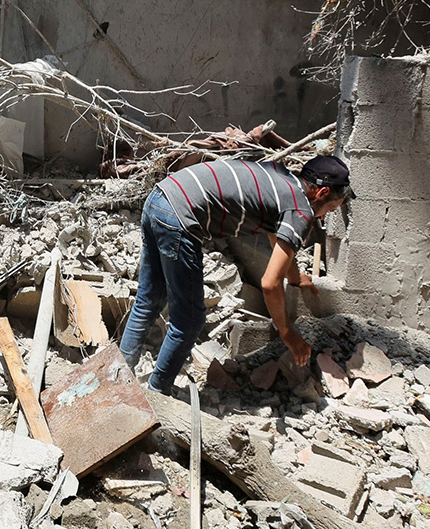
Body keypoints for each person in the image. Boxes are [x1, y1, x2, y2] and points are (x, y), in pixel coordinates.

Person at [118, 154, 351, 394]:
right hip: (179, 216)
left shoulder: (282, 179)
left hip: (161, 196)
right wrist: (286, 331)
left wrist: (294, 278)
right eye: (330, 209)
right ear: (321, 193)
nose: (323, 217)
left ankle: (117, 382)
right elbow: (270, 285)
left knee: (149, 299)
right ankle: (157, 394)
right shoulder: (301, 211)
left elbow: (278, 237)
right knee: (188, 320)